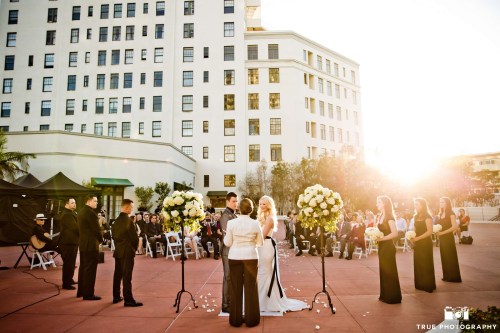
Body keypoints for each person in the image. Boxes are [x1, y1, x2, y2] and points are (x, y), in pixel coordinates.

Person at [257, 195, 309, 313]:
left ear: (269, 205)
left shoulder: (269, 218)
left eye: (264, 204)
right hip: (261, 247)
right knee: (263, 272)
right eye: (260, 204)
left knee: (264, 272)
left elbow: (262, 236)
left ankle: (267, 301)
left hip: (265, 246)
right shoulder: (262, 217)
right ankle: (264, 300)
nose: (261, 206)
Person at [223, 198, 263, 327]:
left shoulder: (231, 223)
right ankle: (252, 320)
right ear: (251, 209)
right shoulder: (255, 223)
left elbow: (228, 243)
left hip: (235, 256)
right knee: (251, 288)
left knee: (235, 288)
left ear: (239, 208)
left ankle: (235, 320)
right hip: (251, 256)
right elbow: (260, 242)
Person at [112, 199, 143, 307]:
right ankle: (128, 299)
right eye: (131, 207)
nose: (132, 209)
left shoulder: (116, 221)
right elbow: (135, 238)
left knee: (117, 274)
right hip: (127, 251)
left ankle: (116, 296)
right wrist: (134, 249)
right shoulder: (128, 221)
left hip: (118, 250)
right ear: (126, 207)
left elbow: (113, 236)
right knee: (127, 276)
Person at [376, 195, 402, 304]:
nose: (377, 204)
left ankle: (393, 296)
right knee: (384, 271)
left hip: (388, 247)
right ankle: (385, 294)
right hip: (382, 247)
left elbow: (395, 233)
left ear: (385, 204)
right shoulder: (380, 215)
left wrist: (382, 238)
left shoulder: (389, 217)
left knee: (390, 271)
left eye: (379, 202)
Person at [77, 195, 103, 300]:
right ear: (88, 201)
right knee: (90, 270)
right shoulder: (91, 213)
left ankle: (81, 291)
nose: (97, 203)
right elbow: (96, 229)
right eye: (95, 201)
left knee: (83, 267)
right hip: (91, 244)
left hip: (83, 243)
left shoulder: (80, 212)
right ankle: (88, 294)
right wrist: (101, 240)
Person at [409, 198, 436, 293]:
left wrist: (417, 238)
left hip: (425, 243)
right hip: (417, 243)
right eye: (415, 204)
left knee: (426, 263)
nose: (415, 206)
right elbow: (415, 229)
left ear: (422, 205)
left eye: (417, 204)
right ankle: (420, 284)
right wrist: (412, 237)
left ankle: (428, 285)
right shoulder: (415, 216)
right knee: (418, 263)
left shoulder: (428, 216)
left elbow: (429, 232)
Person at [219, 192, 238, 313]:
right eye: (233, 201)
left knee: (231, 277)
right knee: (228, 277)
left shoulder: (234, 215)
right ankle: (225, 304)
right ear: (227, 202)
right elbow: (228, 236)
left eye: (237, 201)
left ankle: (231, 301)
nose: (236, 203)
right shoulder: (226, 215)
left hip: (233, 250)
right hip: (227, 250)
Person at [436, 197, 462, 282]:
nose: (440, 203)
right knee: (444, 256)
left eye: (442, 202)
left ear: (447, 203)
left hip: (448, 238)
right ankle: (446, 276)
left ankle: (454, 277)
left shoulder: (451, 213)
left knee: (450, 257)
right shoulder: (440, 214)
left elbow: (454, 227)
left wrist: (442, 233)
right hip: (442, 238)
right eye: (440, 202)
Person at [59, 198, 79, 290]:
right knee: (68, 263)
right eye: (72, 203)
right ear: (66, 204)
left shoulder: (72, 213)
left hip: (72, 242)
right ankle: (66, 283)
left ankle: (69, 279)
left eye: (75, 203)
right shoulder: (67, 215)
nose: (74, 204)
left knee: (71, 263)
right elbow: (75, 227)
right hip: (68, 243)